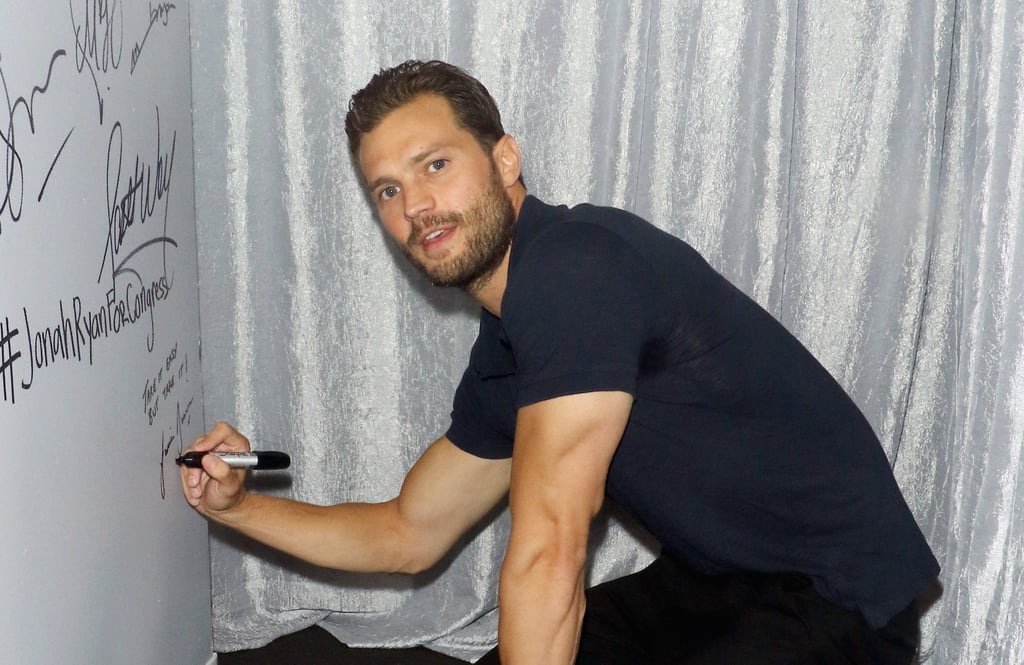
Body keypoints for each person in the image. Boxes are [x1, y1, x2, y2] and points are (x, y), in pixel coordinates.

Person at [182, 60, 940, 664]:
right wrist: (239, 507)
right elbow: (409, 532)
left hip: (841, 603)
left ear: (504, 158)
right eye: (389, 188)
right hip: (715, 585)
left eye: (436, 164)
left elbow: (549, 552)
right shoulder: (512, 339)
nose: (416, 206)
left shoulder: (575, 273)